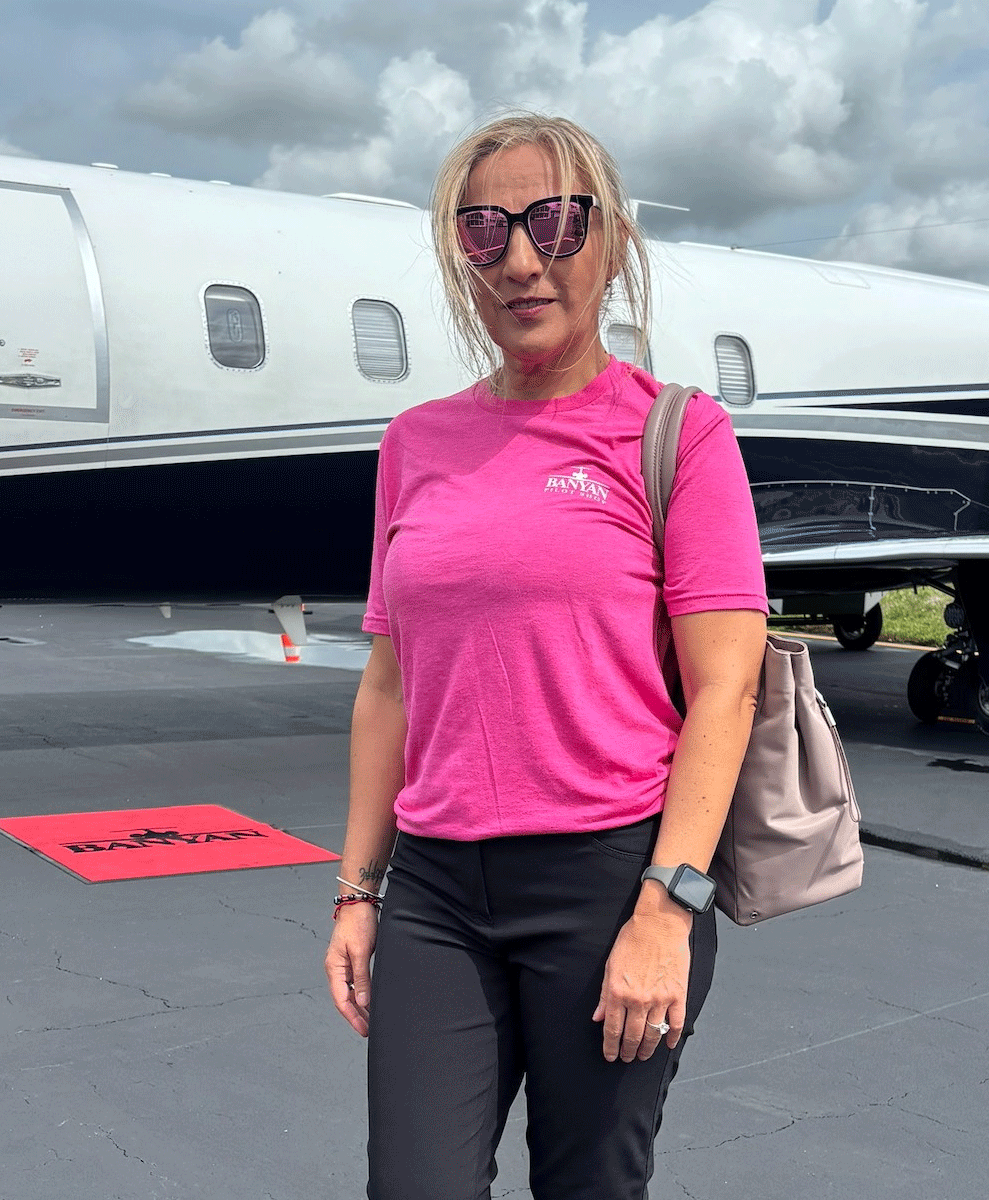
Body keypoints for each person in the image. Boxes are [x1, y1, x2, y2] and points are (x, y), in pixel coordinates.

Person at [324, 112, 769, 1200]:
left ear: (608, 242)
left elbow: (728, 687)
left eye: (556, 223)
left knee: (588, 1187)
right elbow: (388, 685)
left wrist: (669, 908)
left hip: (610, 881)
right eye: (485, 232)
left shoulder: (677, 433)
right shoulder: (415, 444)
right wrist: (353, 889)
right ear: (459, 256)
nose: (523, 260)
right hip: (434, 892)